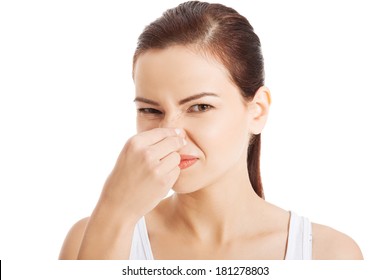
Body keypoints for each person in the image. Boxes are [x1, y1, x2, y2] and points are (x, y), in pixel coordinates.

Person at [59, 1, 363, 260]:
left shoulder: (328, 254)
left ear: (257, 111)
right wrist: (114, 213)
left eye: (200, 107)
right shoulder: (90, 239)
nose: (171, 134)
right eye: (151, 110)